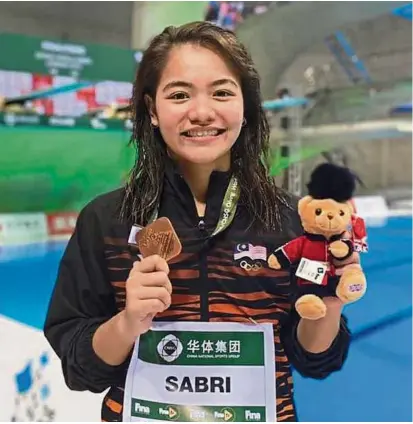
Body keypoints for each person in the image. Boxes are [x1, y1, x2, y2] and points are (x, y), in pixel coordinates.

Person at [44, 21, 356, 422]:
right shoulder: (107, 220)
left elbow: (316, 361)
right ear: (152, 110)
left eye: (222, 92)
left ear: (246, 106)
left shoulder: (292, 221)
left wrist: (329, 302)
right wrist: (127, 323)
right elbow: (80, 368)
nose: (203, 112)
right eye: (179, 94)